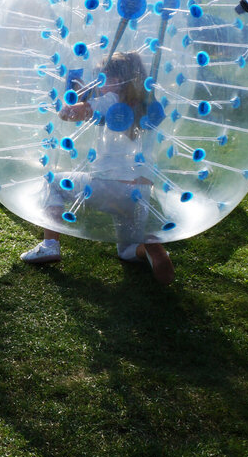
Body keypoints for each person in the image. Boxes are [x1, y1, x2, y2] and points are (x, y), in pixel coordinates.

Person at [21, 51, 175, 285]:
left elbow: (67, 114)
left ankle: (49, 245)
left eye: (101, 78)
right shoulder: (149, 105)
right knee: (127, 250)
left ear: (116, 80)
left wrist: (77, 94)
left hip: (107, 186)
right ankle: (149, 248)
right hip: (140, 194)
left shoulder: (110, 100)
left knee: (52, 182)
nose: (98, 84)